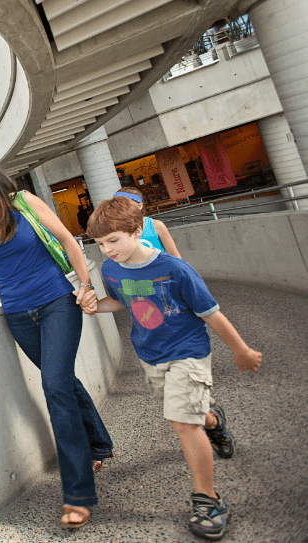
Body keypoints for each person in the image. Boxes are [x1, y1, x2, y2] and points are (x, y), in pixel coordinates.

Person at [83, 197, 262, 540]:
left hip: (188, 353)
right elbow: (122, 301)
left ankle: (208, 500)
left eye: (113, 240)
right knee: (192, 416)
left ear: (137, 231)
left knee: (181, 422)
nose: (106, 250)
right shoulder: (111, 270)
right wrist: (95, 306)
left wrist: (241, 349)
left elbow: (211, 313)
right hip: (151, 355)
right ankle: (213, 419)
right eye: (100, 243)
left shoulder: (175, 269)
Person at [0, 153, 112, 529]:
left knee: (54, 385)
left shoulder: (24, 203)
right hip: (18, 316)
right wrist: (12, 303)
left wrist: (85, 284)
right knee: (63, 383)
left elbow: (69, 242)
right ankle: (99, 443)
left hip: (58, 302)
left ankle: (78, 494)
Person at [113, 186, 182, 258]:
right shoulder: (115, 229)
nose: (122, 209)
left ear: (140, 206)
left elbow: (175, 255)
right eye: (117, 206)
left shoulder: (156, 225)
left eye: (127, 205)